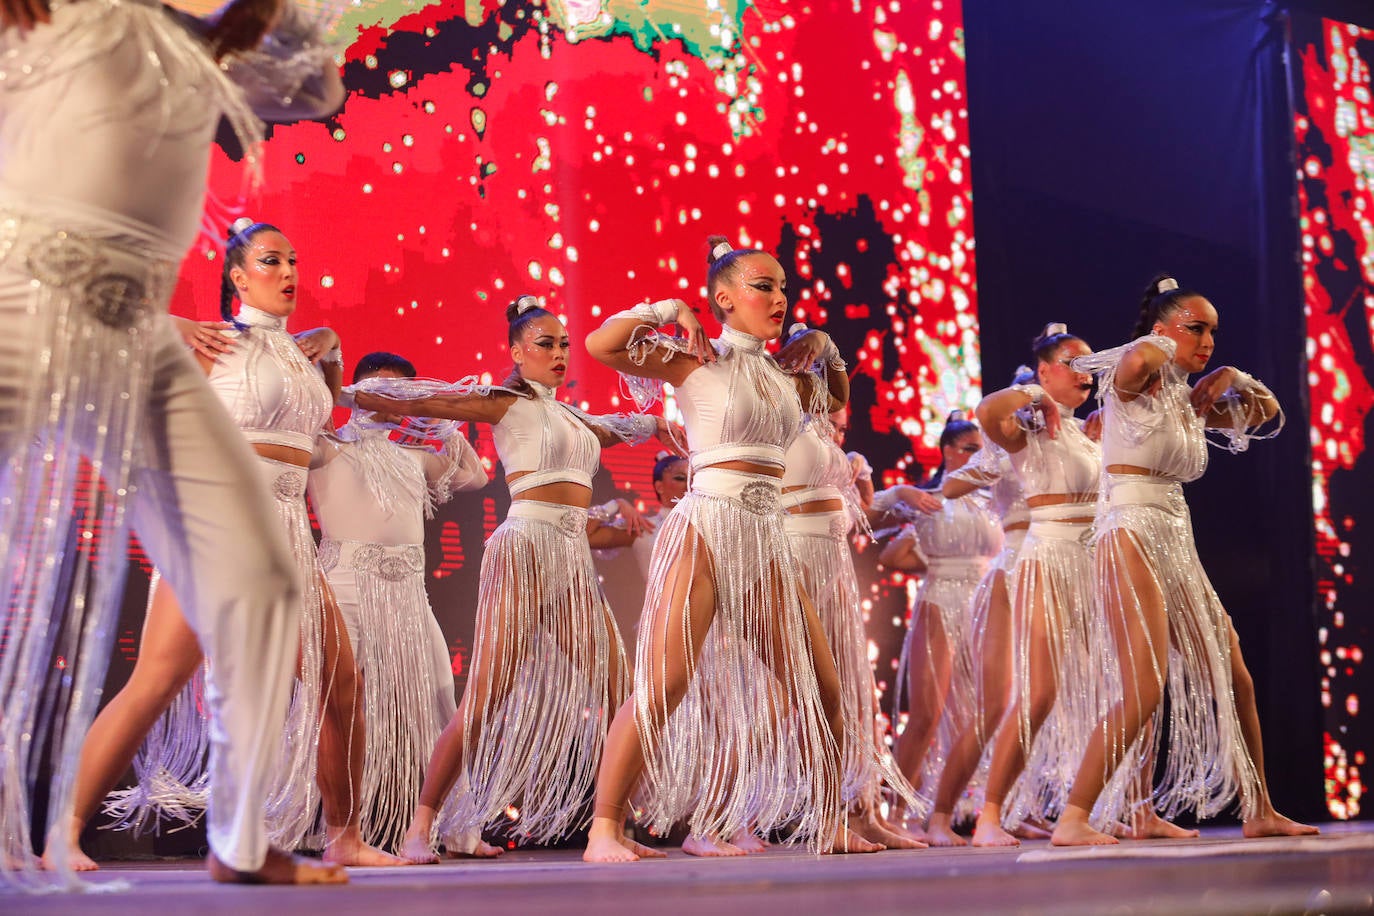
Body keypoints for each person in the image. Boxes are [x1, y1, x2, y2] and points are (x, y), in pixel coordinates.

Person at [0, 0, 346, 886]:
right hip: (21, 299)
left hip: (135, 334)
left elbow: (317, 83)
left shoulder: (225, 48)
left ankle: (236, 842)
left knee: (262, 583)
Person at [53, 222, 405, 871]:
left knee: (342, 683)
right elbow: (97, 322)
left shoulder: (300, 353)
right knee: (157, 681)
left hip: (290, 532)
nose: (288, 271)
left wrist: (327, 352)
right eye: (271, 261)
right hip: (219, 528)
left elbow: (319, 421)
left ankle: (344, 834)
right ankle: (63, 832)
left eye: (294, 259)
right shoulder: (213, 341)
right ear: (237, 277)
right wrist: (172, 326)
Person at [347, 295, 677, 862]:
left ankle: (613, 826)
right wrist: (346, 390)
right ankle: (420, 827)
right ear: (517, 352)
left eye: (564, 344)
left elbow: (619, 427)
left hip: (571, 560)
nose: (559, 353)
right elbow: (432, 397)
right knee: (485, 695)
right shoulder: (505, 402)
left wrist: (664, 425)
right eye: (545, 344)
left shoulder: (573, 418)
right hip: (523, 551)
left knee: (623, 689)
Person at [581, 236, 877, 863]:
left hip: (766, 537)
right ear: (723, 298)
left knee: (821, 685)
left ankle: (828, 821)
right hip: (710, 525)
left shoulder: (779, 379)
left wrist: (827, 348)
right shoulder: (696, 361)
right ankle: (605, 828)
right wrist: (667, 307)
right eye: (762, 286)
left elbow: (836, 398)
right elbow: (600, 345)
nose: (778, 297)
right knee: (664, 683)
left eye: (782, 287)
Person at [1050, 276, 1318, 845]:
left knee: (1235, 675)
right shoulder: (1137, 381)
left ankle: (1259, 809)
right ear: (1163, 330)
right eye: (1196, 328)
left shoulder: (1185, 403)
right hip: (1129, 531)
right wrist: (1162, 344)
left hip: (1176, 538)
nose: (1207, 341)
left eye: (1213, 333)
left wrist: (1233, 377)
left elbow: (1267, 413)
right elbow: (1133, 362)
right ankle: (1075, 817)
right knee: (1145, 684)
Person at [308, 351, 501, 857]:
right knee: (332, 714)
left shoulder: (412, 454)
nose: (395, 400)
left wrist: (436, 418)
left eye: (404, 392)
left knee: (441, 700)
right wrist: (341, 396)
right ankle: (310, 827)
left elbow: (475, 477)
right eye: (384, 390)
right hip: (344, 586)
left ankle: (460, 831)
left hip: (409, 594)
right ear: (359, 390)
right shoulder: (328, 443)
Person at [956, 324, 1102, 846]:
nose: (1085, 371)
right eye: (1072, 361)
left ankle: (1088, 811)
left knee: (1109, 687)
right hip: (1047, 559)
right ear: (1043, 370)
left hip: (1091, 562)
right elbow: (987, 411)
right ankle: (990, 816)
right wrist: (1035, 396)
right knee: (1039, 691)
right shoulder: (1031, 423)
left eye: (1091, 363)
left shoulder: (1086, 430)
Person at [779, 348, 924, 850]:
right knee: (785, 696)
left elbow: (860, 520)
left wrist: (869, 488)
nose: (841, 432)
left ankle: (861, 811)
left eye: (844, 428)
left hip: (832, 565)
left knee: (855, 694)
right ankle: (732, 817)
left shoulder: (825, 447)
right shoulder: (779, 426)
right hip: (792, 561)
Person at [878, 411, 1002, 837]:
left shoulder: (993, 502)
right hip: (942, 601)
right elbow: (886, 549)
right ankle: (894, 814)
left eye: (982, 451)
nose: (976, 458)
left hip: (983, 608)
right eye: (969, 449)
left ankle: (950, 814)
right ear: (947, 452)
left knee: (980, 713)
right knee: (928, 713)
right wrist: (932, 562)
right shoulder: (930, 499)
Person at [922, 409, 1032, 845]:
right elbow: (947, 489)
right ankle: (942, 816)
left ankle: (1002, 809)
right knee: (992, 706)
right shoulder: (1001, 461)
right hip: (997, 582)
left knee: (1026, 703)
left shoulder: (1063, 449)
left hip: (1047, 574)